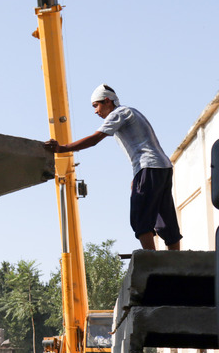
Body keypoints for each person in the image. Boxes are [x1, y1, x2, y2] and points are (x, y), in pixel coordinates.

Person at [44, 84, 182, 251]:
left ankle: (150, 261)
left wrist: (62, 148)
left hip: (149, 166)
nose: (95, 111)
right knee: (165, 218)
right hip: (162, 168)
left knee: (140, 217)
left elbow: (95, 139)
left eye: (96, 105)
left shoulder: (119, 113)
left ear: (107, 101)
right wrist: (137, 176)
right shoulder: (131, 111)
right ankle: (176, 261)